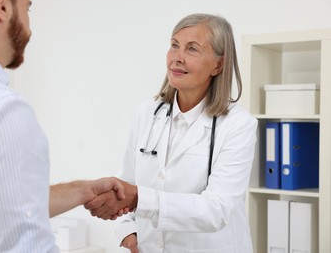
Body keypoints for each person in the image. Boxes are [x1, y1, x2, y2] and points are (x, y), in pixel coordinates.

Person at [0, 0, 125, 252]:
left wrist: (82, 190)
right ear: (2, 5)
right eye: (27, 9)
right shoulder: (2, 113)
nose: (29, 27)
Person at [85, 13, 258, 253]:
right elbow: (127, 184)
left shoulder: (239, 125)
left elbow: (216, 209)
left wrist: (139, 199)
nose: (177, 57)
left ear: (218, 65)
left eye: (192, 49)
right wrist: (128, 233)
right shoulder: (147, 113)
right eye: (174, 45)